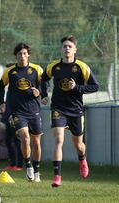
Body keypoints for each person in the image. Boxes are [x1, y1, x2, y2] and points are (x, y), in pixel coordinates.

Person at [40, 35, 99, 187]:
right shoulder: (54, 66)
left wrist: (77, 87)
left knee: (78, 145)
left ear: (75, 50)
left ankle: (82, 159)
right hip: (58, 108)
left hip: (76, 110)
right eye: (64, 46)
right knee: (59, 139)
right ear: (61, 49)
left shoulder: (82, 67)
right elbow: (43, 78)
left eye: (70, 46)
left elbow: (95, 86)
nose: (67, 48)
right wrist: (44, 94)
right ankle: (57, 176)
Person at [0, 43, 44, 182]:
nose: (22, 56)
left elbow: (45, 84)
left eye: (24, 53)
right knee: (25, 137)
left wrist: (40, 92)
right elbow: (1, 86)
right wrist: (2, 103)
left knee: (36, 142)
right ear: (16, 56)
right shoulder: (10, 71)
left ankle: (36, 171)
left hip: (34, 110)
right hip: (18, 111)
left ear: (28, 55)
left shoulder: (36, 69)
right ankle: (28, 166)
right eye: (19, 54)